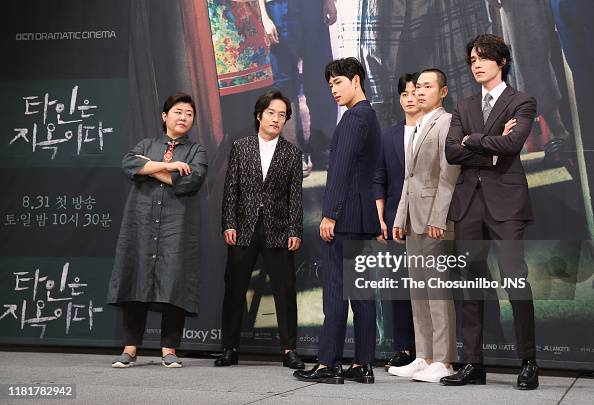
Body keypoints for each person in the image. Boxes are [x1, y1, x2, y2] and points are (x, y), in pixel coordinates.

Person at [442, 33, 538, 390]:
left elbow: (513, 144)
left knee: (515, 280)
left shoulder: (522, 101)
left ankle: (528, 361)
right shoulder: (463, 106)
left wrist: (472, 139)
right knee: (470, 285)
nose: (476, 64)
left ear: (502, 62)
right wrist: (491, 144)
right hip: (468, 205)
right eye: (472, 60)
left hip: (507, 204)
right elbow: (452, 152)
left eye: (483, 58)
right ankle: (473, 363)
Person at [294, 57, 381, 384]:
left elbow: (341, 169)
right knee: (359, 291)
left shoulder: (354, 118)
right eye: (329, 84)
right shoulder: (369, 116)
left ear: (356, 80)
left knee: (335, 290)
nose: (332, 90)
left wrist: (329, 214)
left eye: (338, 82)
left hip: (344, 218)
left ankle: (327, 363)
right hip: (360, 217)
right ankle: (362, 364)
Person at [107, 93, 208, 368]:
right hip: (141, 221)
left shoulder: (197, 151)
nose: (183, 117)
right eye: (178, 112)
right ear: (165, 116)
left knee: (174, 281)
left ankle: (169, 350)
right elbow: (129, 163)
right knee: (135, 278)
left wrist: (148, 168)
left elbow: (190, 181)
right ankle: (130, 349)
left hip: (178, 225)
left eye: (189, 113)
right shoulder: (146, 144)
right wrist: (168, 165)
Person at [215, 90, 305, 369]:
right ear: (259, 116)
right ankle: (229, 348)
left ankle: (289, 349)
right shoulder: (241, 146)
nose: (276, 119)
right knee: (235, 289)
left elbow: (295, 196)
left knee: (286, 290)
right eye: (271, 113)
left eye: (282, 115)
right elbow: (231, 190)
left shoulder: (292, 153)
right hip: (243, 228)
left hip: (279, 230)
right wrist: (228, 223)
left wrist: (295, 230)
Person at [390, 69, 460, 383]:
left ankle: (445, 361)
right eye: (418, 87)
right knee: (418, 290)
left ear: (442, 92)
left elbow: (449, 175)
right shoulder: (417, 125)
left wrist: (438, 218)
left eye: (427, 87)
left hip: (434, 220)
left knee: (437, 291)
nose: (420, 92)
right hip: (413, 219)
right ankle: (424, 356)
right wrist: (399, 218)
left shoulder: (447, 122)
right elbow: (409, 179)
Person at [373, 72, 423, 371]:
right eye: (404, 94)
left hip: (428, 220)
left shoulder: (438, 129)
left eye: (415, 92)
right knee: (399, 286)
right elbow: (379, 177)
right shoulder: (389, 135)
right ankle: (404, 347)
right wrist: (380, 217)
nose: (409, 98)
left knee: (431, 287)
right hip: (394, 220)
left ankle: (434, 349)